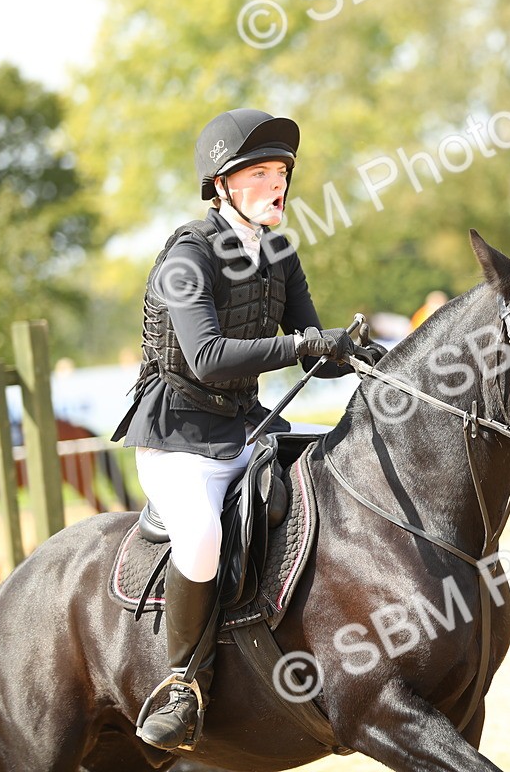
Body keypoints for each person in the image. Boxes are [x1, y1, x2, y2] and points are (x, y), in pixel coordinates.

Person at [111, 109, 385, 751]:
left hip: (248, 427)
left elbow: (312, 350)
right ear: (221, 185)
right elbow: (206, 356)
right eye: (260, 173)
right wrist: (300, 344)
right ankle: (181, 682)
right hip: (179, 435)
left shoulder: (279, 253)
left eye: (282, 172)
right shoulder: (187, 257)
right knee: (203, 535)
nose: (277, 183)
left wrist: (354, 351)